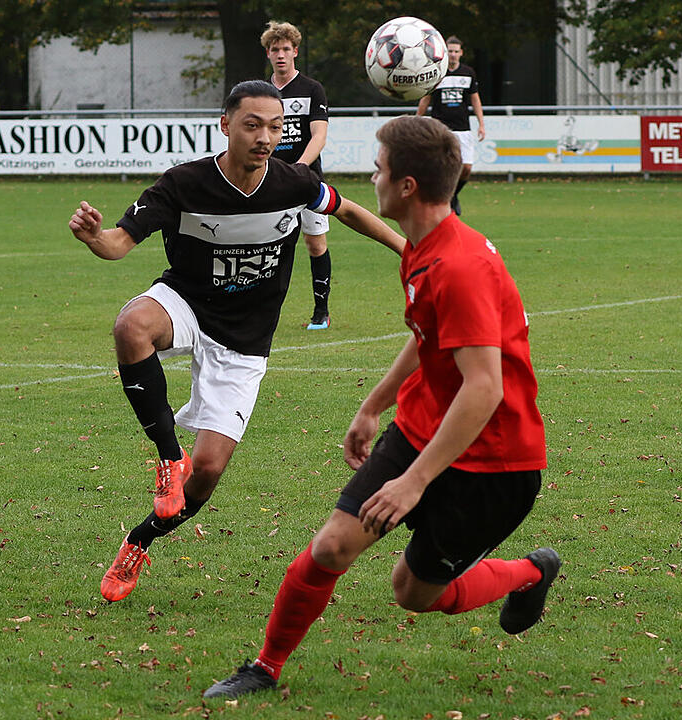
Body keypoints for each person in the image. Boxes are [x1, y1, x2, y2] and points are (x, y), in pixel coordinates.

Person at [203, 116, 558, 700]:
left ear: (408, 186)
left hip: (493, 462)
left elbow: (484, 388)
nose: (372, 177)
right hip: (422, 430)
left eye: (379, 168)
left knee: (413, 593)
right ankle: (264, 668)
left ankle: (531, 572)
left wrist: (415, 483)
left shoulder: (460, 266)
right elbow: (426, 338)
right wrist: (373, 407)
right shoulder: (422, 247)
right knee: (331, 547)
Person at [68, 80, 404, 604]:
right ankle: (166, 459)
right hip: (187, 303)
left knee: (207, 477)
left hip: (245, 342)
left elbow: (350, 212)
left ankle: (139, 542)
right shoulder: (183, 183)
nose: (265, 136)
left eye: (275, 126)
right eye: (252, 125)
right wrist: (93, 238)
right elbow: (117, 245)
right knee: (131, 326)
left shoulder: (295, 183)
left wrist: (407, 249)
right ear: (225, 125)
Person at [261, 21, 333, 330]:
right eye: (275, 49)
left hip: (307, 181)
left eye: (286, 49)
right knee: (269, 246)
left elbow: (319, 135)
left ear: (296, 52)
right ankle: (264, 311)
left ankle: (321, 310)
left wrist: (300, 167)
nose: (280, 55)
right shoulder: (261, 92)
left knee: (315, 244)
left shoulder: (311, 89)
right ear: (268, 53)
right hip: (269, 181)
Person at [415, 35, 484, 216]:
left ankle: (452, 195)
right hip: (440, 128)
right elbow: (426, 98)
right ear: (445, 52)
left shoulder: (468, 73)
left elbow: (475, 100)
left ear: (461, 53)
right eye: (450, 51)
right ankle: (440, 200)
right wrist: (417, 119)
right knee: (441, 166)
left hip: (463, 127)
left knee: (466, 168)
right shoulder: (437, 72)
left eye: (455, 51)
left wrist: (481, 124)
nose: (452, 55)